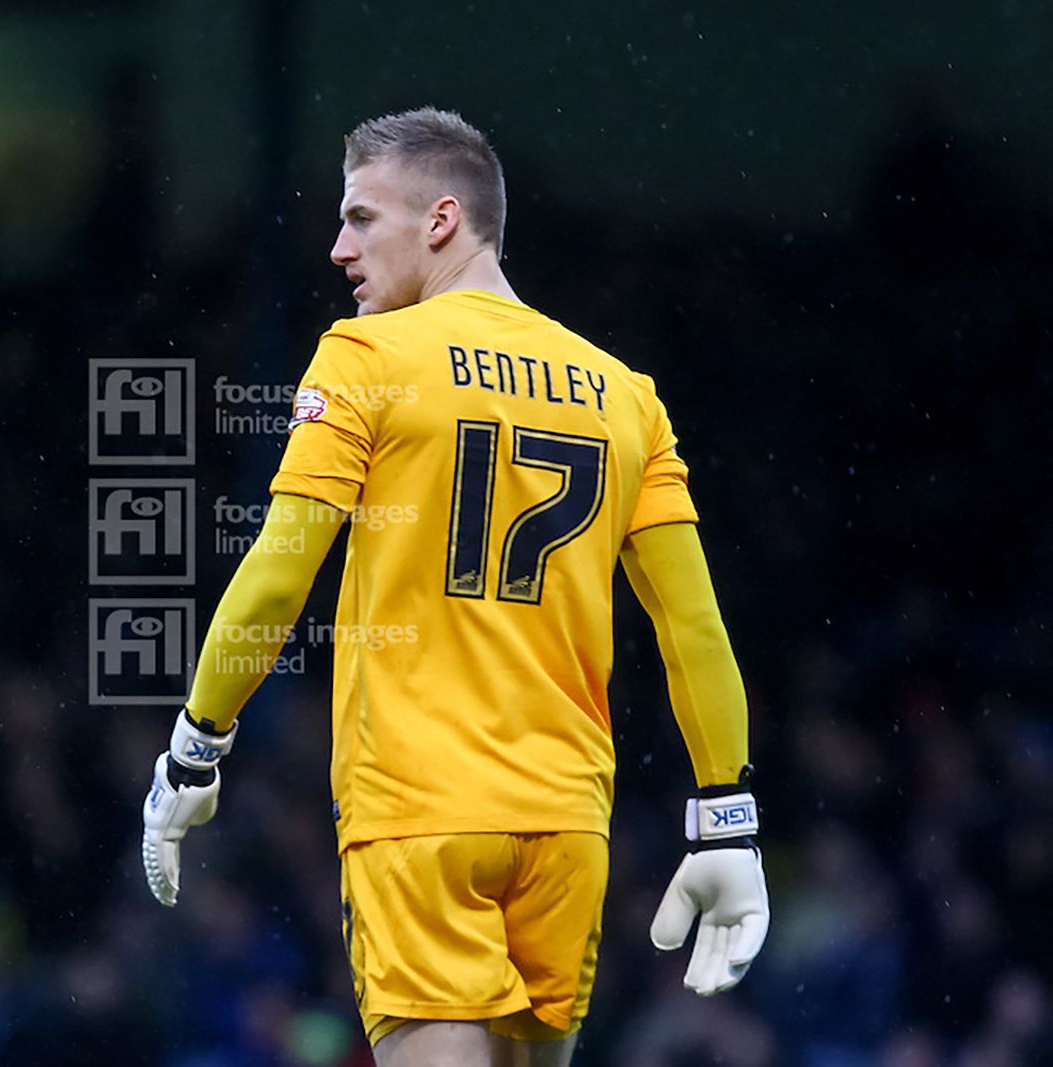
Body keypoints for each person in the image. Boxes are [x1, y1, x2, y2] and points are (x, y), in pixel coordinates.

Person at [140, 107, 768, 1067]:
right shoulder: (626, 394)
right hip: (566, 824)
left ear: (441, 220)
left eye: (360, 218)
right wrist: (728, 817)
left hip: (418, 812)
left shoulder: (367, 358)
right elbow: (693, 628)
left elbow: (276, 578)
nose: (339, 249)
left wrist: (196, 744)